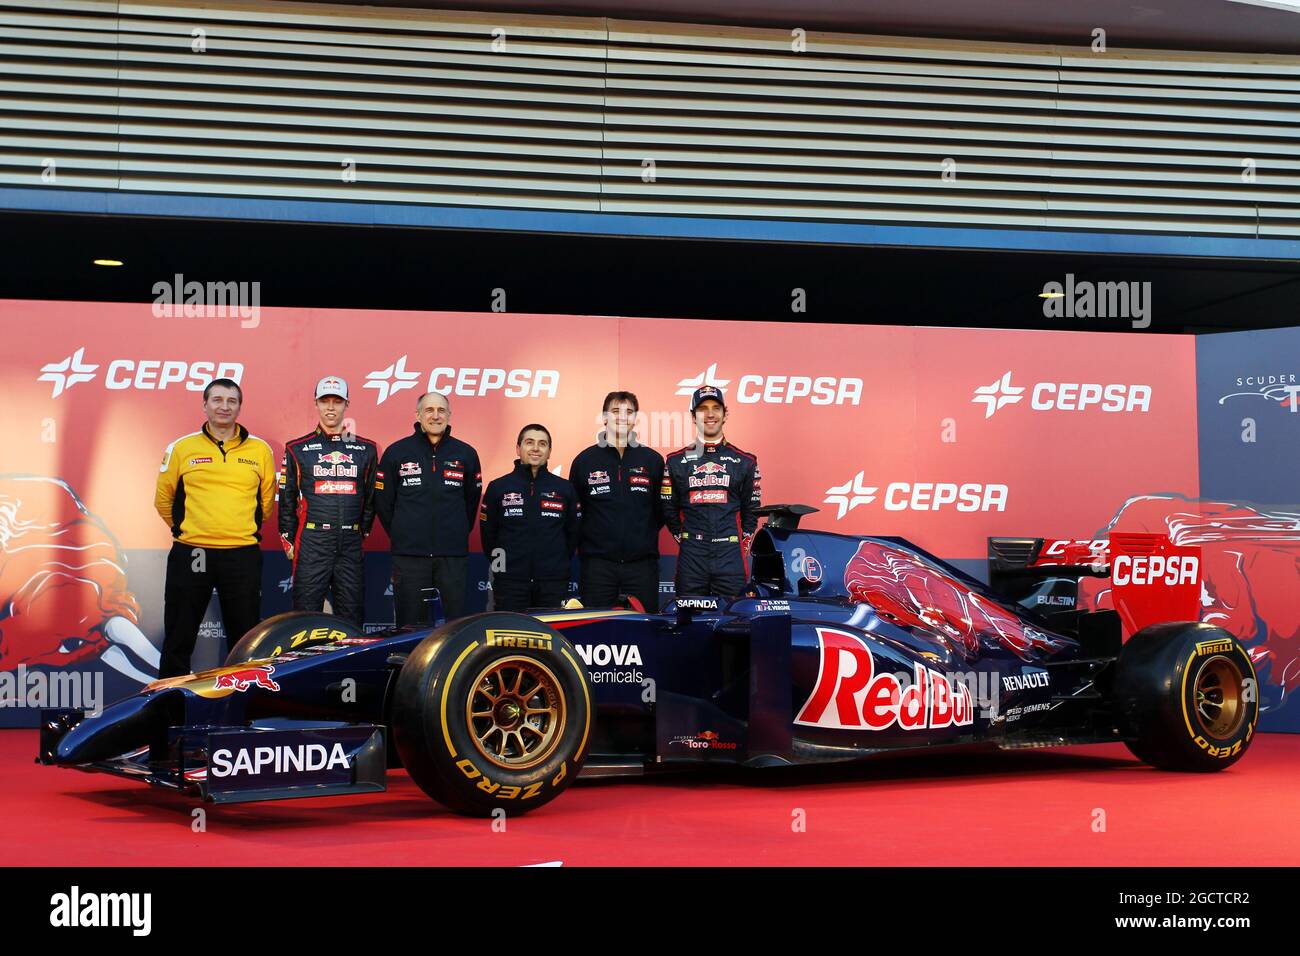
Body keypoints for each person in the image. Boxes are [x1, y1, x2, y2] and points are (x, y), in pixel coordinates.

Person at [154, 378, 276, 677]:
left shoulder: (260, 450)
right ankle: (170, 704)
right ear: (205, 405)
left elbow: (267, 501)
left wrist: (235, 529)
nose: (224, 406)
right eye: (217, 400)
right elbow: (163, 499)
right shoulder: (182, 448)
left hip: (241, 553)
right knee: (179, 635)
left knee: (246, 638)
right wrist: (190, 531)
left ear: (239, 407)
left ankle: (242, 706)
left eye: (231, 401)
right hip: (193, 552)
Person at [278, 375, 379, 628]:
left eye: (337, 401)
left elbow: (371, 498)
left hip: (350, 543)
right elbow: (287, 498)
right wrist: (288, 538)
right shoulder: (297, 448)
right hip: (313, 542)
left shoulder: (366, 449)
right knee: (304, 616)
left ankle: (351, 667)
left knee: (352, 616)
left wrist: (360, 531)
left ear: (347, 404)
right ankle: (303, 666)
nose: (331, 407)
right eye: (325, 401)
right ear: (316, 404)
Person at [375, 391, 481, 624]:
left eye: (441, 410)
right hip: (409, 556)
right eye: (429, 410)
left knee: (455, 626)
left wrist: (456, 531)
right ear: (418, 415)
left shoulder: (466, 454)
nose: (435, 416)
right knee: (409, 624)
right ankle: (409, 662)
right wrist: (404, 532)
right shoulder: (397, 452)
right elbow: (383, 502)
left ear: (449, 415)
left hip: (452, 555)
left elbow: (471, 502)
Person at [661, 385, 761, 599]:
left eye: (716, 407)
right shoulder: (675, 461)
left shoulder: (745, 461)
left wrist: (739, 543)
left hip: (730, 554)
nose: (709, 414)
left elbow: (751, 510)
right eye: (702, 409)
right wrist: (688, 539)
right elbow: (668, 508)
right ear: (693, 416)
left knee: (734, 622)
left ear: (725, 414)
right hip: (692, 555)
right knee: (688, 622)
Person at [571, 391, 664, 611]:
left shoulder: (652, 460)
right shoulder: (584, 461)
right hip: (598, 566)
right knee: (595, 631)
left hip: (642, 565)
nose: (622, 417)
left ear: (635, 419)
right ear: (604, 417)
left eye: (629, 412)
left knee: (646, 631)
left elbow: (661, 512)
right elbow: (575, 514)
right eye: (615, 411)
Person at [480, 424, 580, 612]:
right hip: (510, 583)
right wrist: (504, 569)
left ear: (549, 452)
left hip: (552, 583)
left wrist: (554, 565)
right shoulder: (498, 487)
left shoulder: (565, 489)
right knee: (510, 638)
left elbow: (572, 535)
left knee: (551, 638)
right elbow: (488, 535)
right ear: (518, 449)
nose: (536, 448)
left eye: (542, 444)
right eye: (529, 442)